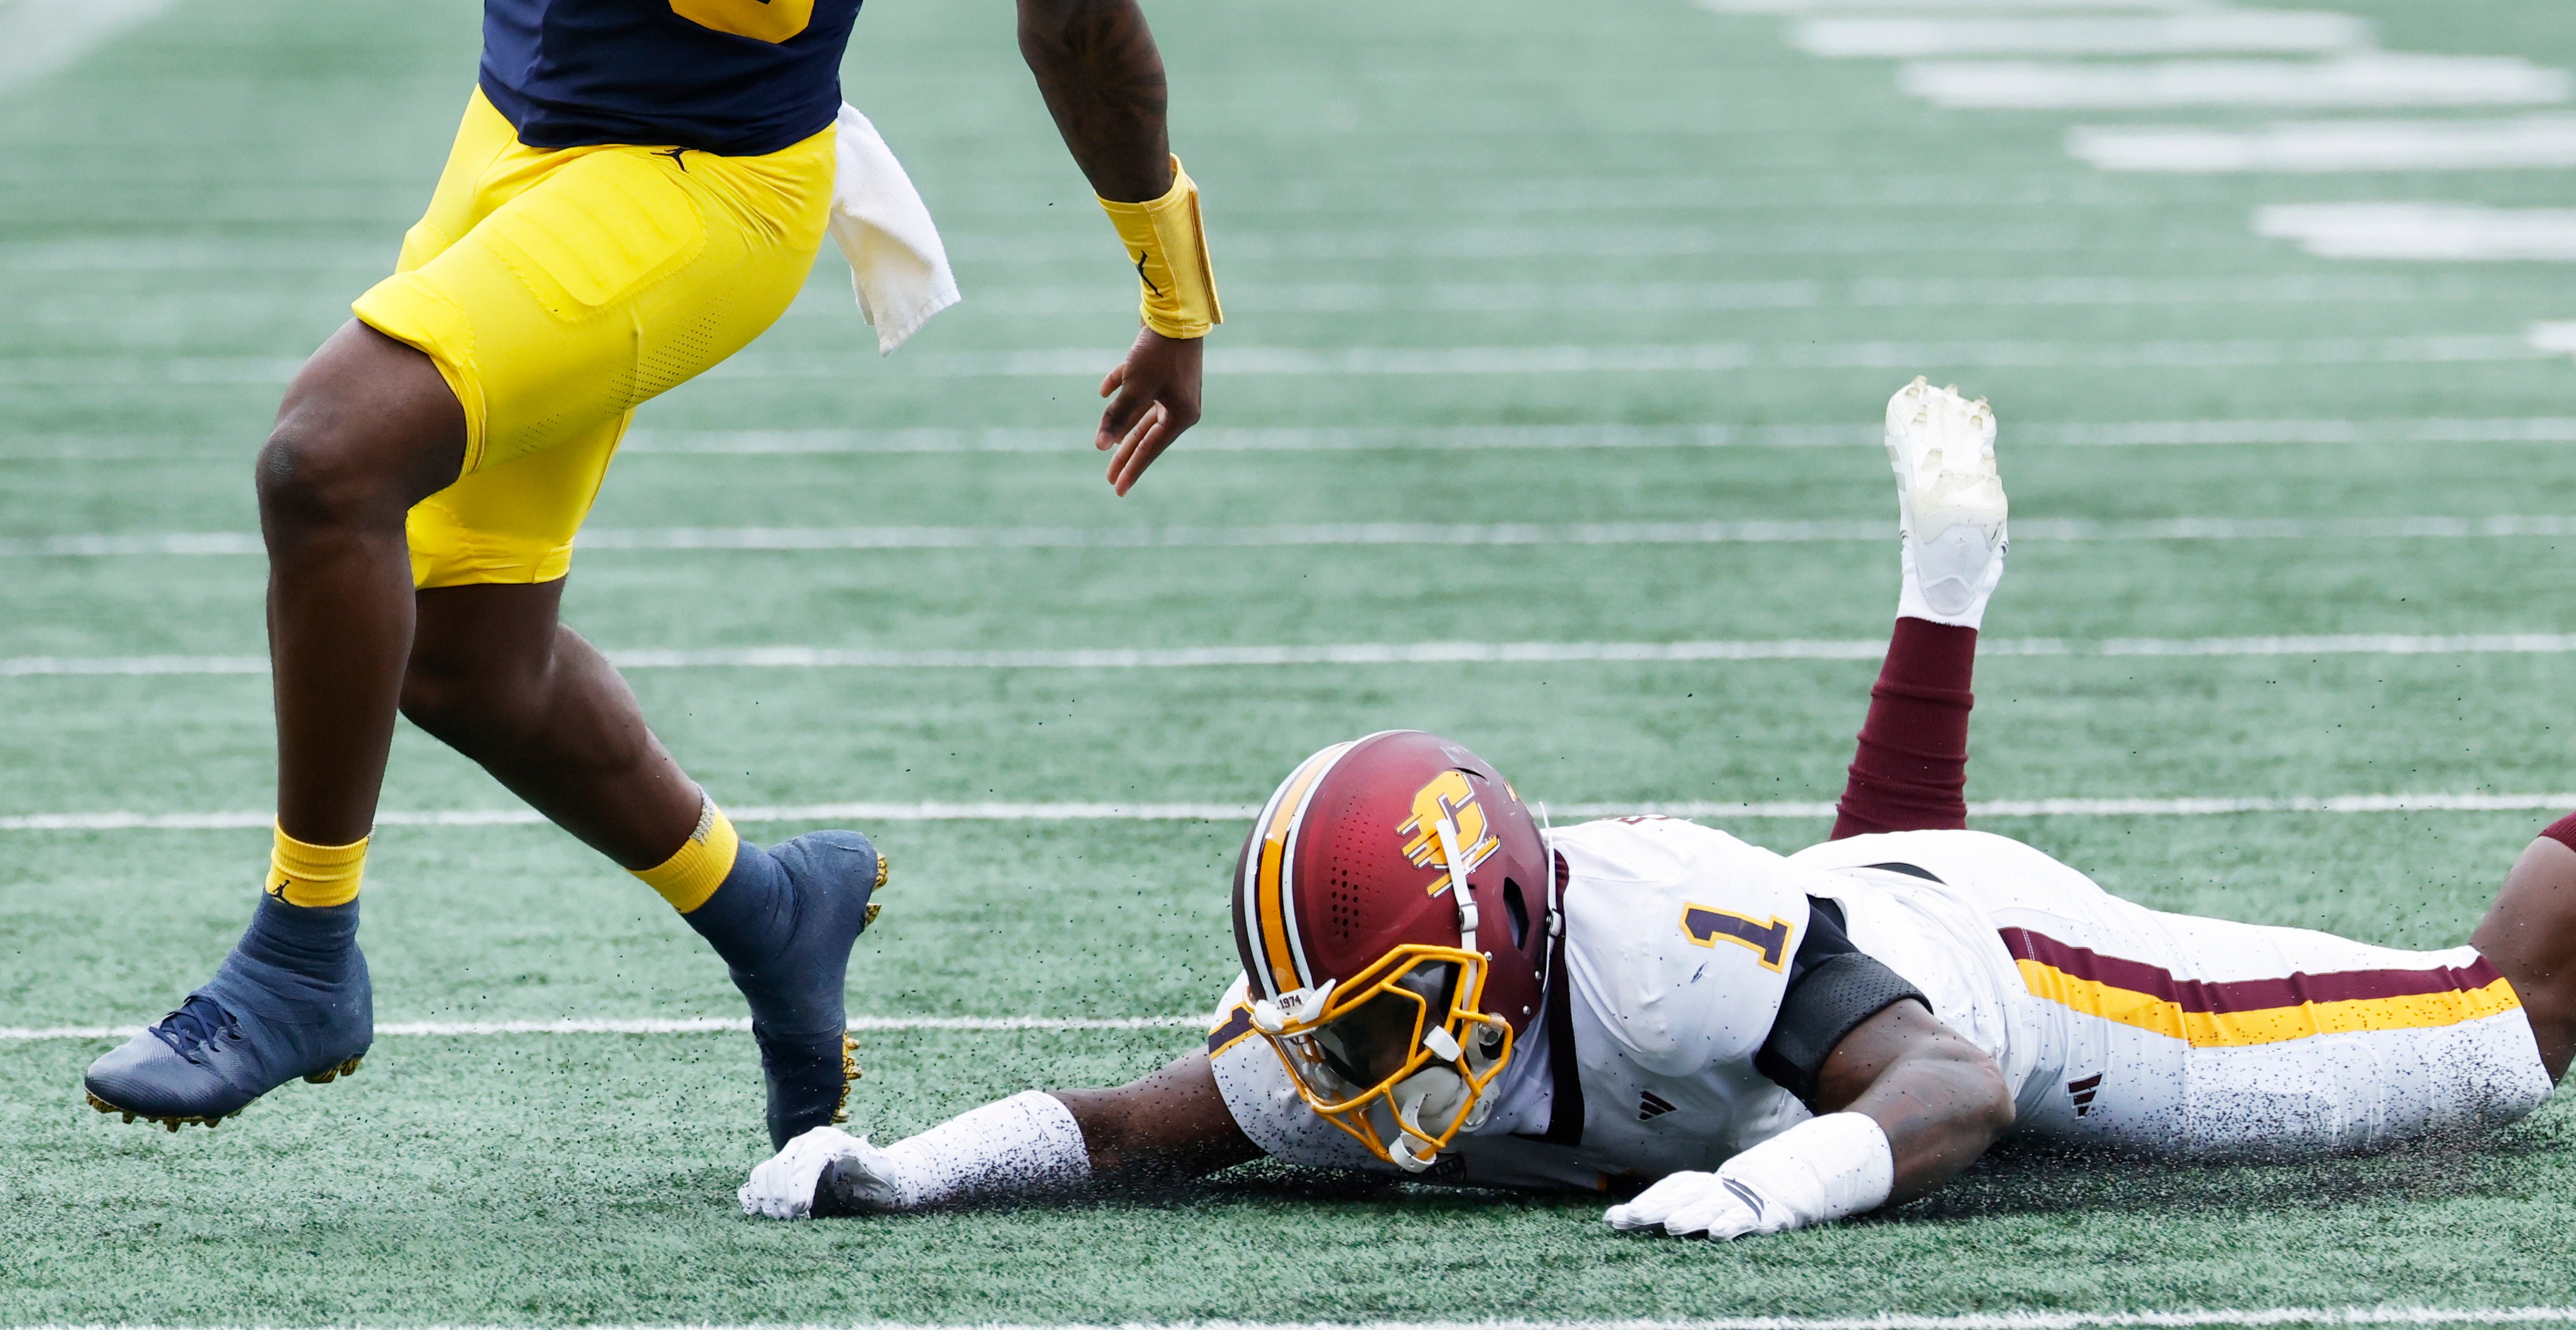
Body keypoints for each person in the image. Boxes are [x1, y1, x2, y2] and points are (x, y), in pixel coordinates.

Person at [80, 0, 1211, 1155]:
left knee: (323, 456)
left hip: (718, 185)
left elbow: (1075, 17)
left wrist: (1171, 293)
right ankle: (768, 905)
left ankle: (303, 952)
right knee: (464, 658)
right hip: (518, 132)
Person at [742, 381, 2576, 1230]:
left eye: (1388, 1013)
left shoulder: (1658, 962)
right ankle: (1939, 583)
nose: (1358, 1070)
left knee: (2496, 1030)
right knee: (1854, 894)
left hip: (1995, 967)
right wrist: (896, 1168)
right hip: (1844, 904)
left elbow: (1943, 1082)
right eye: (1347, 1021)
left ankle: (1948, 585)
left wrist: (1762, 1189)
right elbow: (1131, 1122)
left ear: (1509, 935)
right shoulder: (1375, 1022)